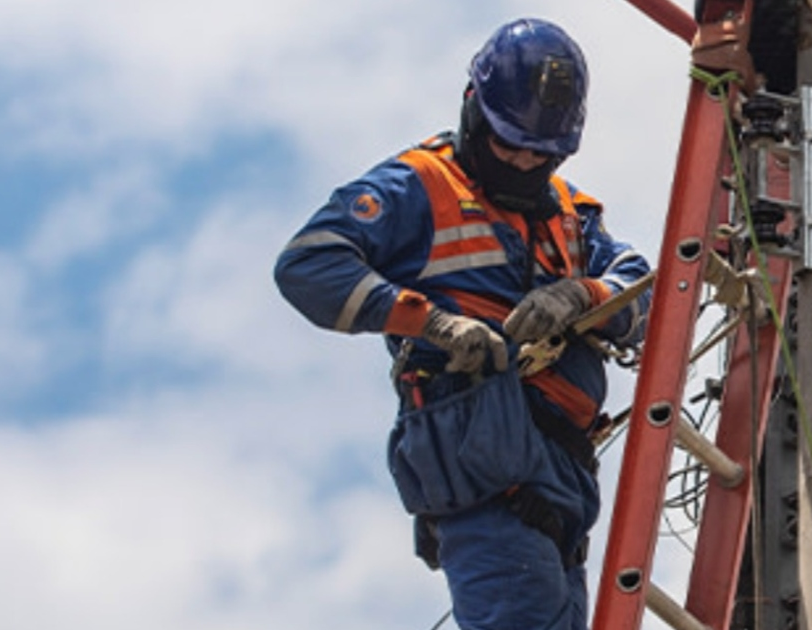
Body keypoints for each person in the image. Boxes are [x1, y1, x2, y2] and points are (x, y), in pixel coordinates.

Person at [275, 17, 651, 630]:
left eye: (543, 152)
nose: (527, 161)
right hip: (486, 467)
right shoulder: (419, 185)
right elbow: (308, 264)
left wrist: (582, 296)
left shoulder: (568, 211)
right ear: (474, 110)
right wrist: (434, 325)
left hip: (561, 479)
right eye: (511, 144)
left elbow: (642, 288)